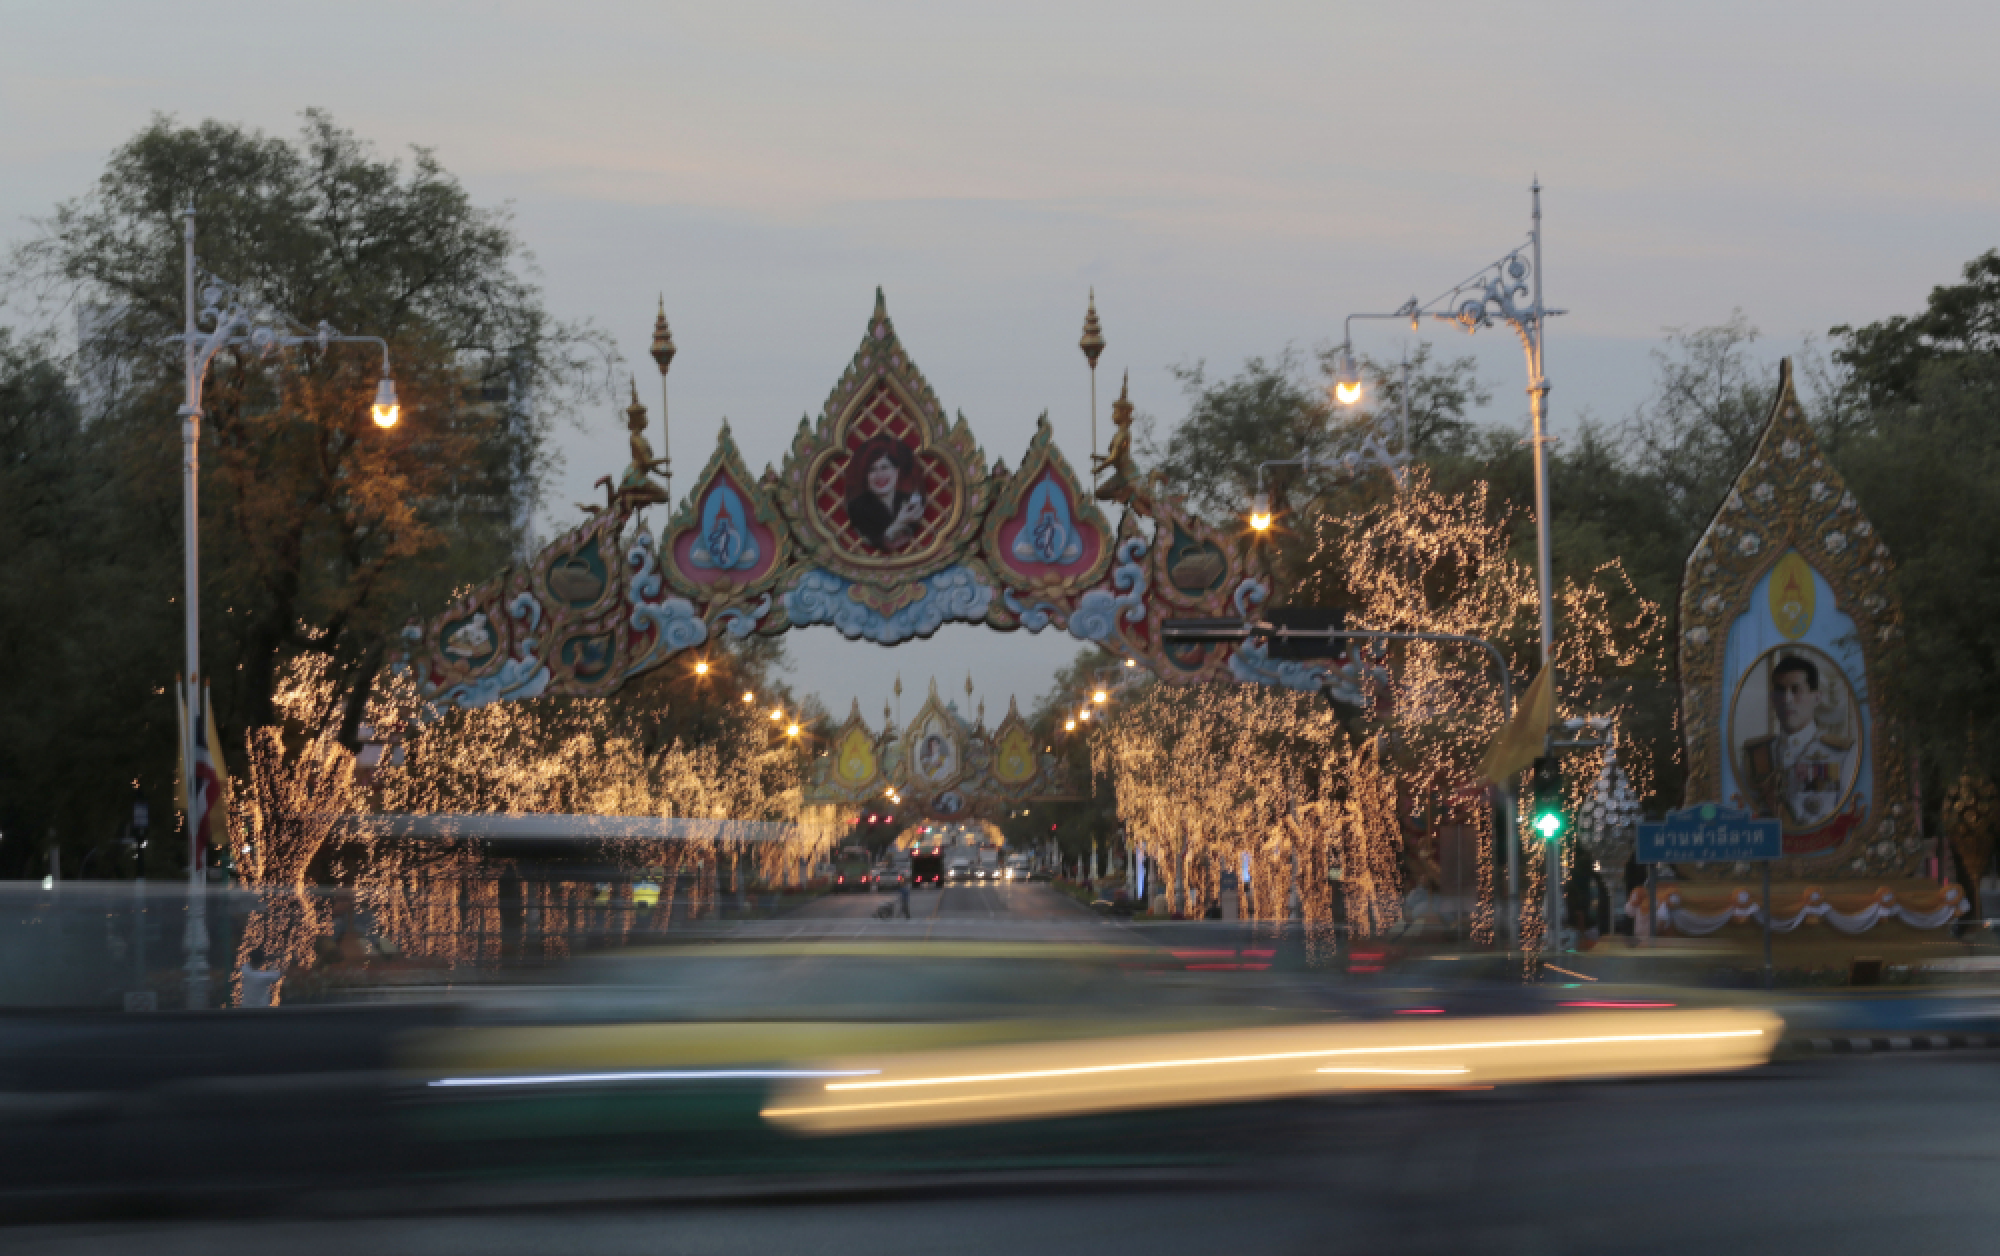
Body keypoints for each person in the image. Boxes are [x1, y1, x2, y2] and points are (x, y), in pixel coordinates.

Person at [1743, 654, 1853, 827]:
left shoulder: (1841, 753)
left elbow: (1845, 811)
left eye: (1796, 690)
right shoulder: (1757, 753)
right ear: (1773, 699)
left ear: (1816, 698)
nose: (1787, 699)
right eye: (1780, 691)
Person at [845, 436, 924, 552]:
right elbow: (870, 545)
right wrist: (899, 523)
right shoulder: (856, 507)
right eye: (872, 470)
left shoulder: (910, 501)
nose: (879, 475)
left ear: (896, 471)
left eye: (885, 467)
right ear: (866, 476)